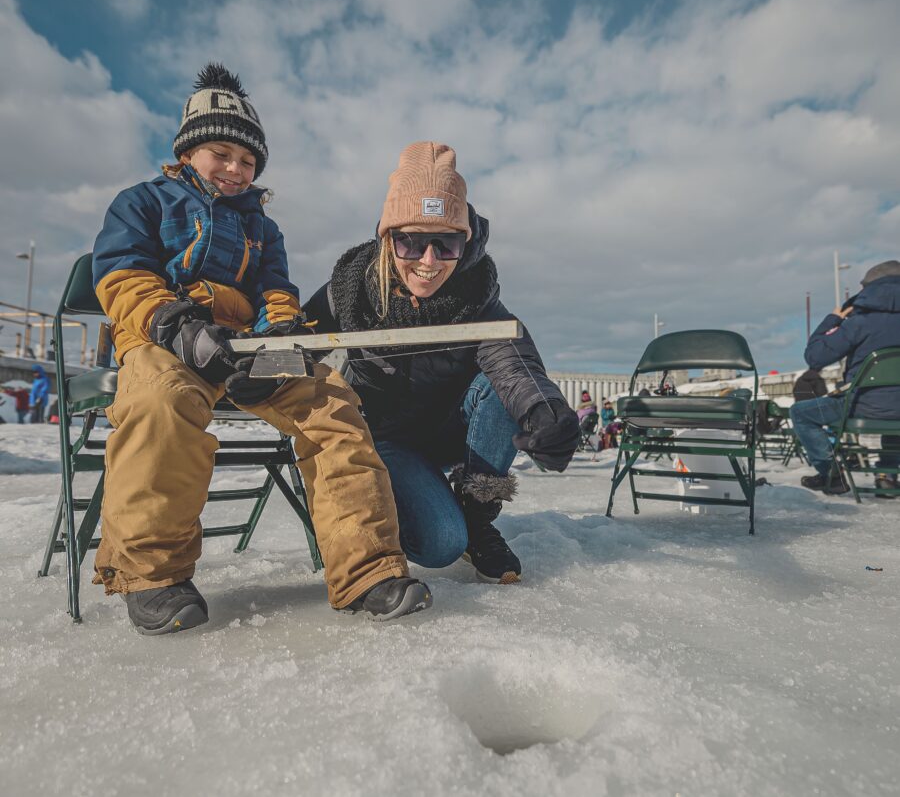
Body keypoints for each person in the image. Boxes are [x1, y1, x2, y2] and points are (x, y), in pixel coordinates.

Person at [91, 63, 429, 634]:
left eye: (247, 161)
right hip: (163, 336)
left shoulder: (263, 230)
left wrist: (280, 337)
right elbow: (121, 276)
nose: (235, 168)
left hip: (243, 346)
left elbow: (276, 291)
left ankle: (367, 568)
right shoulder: (142, 202)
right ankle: (153, 576)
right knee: (159, 402)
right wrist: (177, 325)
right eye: (222, 153)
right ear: (189, 151)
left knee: (332, 400)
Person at [304, 141, 579, 584]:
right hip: (389, 439)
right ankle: (428, 512)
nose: (428, 261)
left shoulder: (476, 294)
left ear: (464, 242)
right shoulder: (350, 289)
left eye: (446, 243)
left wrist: (545, 413)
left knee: (499, 390)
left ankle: (476, 517)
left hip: (454, 431)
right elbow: (293, 346)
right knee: (440, 544)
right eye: (411, 242)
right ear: (388, 237)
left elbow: (514, 363)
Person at [792, 260, 900, 494]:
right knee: (895, 415)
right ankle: (887, 477)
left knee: (801, 413)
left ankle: (832, 474)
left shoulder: (859, 323)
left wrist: (833, 319)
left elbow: (815, 358)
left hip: (861, 406)